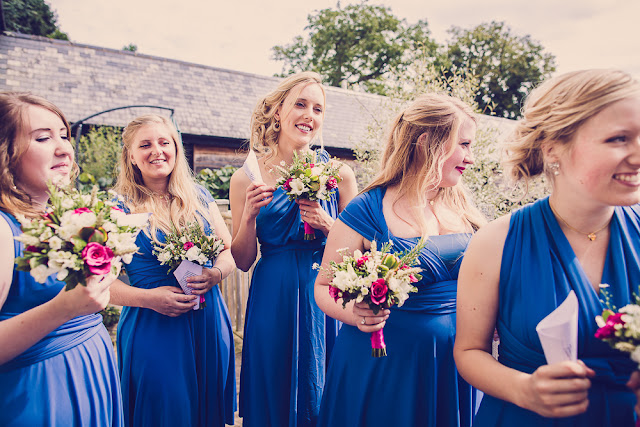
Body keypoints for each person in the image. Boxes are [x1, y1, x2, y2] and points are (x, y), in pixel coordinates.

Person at [454, 69, 640, 426]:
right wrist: (523, 389)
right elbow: (468, 352)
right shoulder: (496, 241)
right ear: (554, 150)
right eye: (619, 139)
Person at [315, 93, 486, 427]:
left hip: (457, 361)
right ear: (426, 143)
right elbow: (323, 286)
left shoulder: (464, 207)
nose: (471, 157)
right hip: (387, 364)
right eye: (463, 144)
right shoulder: (367, 208)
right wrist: (355, 315)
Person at [229, 71, 358, 427]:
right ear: (277, 112)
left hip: (326, 293)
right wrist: (250, 218)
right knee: (274, 378)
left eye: (318, 108)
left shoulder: (340, 174)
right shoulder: (246, 178)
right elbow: (242, 261)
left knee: (325, 381)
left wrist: (329, 225)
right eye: (300, 104)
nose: (309, 115)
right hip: (273, 293)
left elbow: (362, 254)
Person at [0, 92, 123, 425]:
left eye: (64, 136)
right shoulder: (3, 228)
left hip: (92, 372)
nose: (64, 148)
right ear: (5, 153)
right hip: (40, 394)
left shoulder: (62, 218)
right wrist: (64, 308)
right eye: (43, 137)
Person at [110, 114, 236, 426]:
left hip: (208, 318)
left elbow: (229, 251)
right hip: (153, 325)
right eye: (145, 144)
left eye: (165, 142)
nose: (157, 150)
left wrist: (217, 273)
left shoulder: (199, 196)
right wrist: (148, 298)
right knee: (165, 409)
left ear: (176, 149)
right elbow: (100, 283)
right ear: (131, 155)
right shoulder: (117, 208)